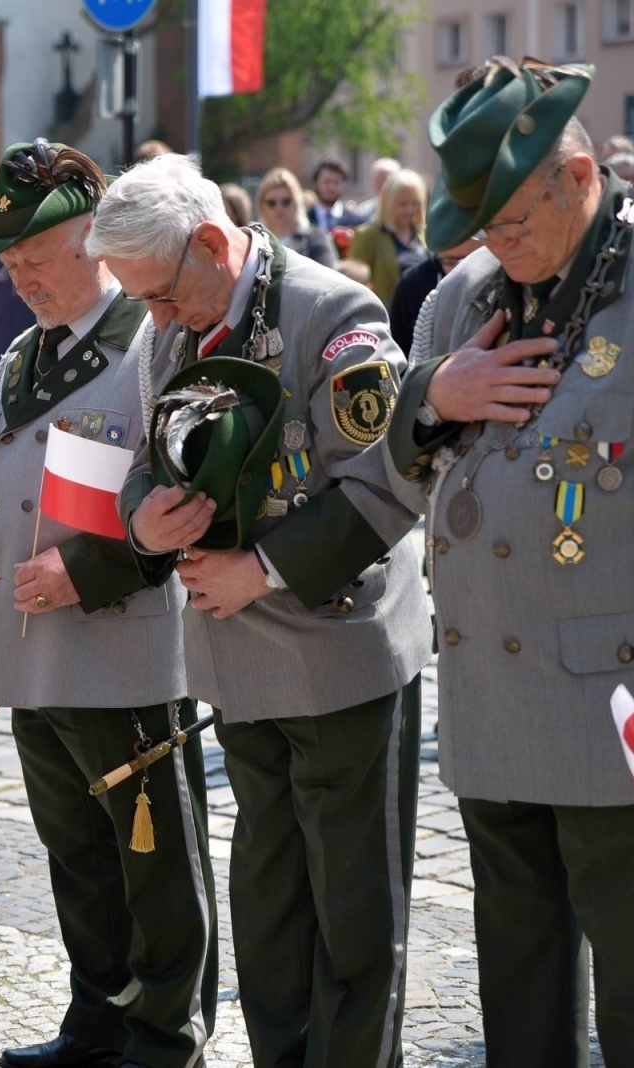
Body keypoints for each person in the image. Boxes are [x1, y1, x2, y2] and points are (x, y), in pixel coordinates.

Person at [386, 59, 634, 1067]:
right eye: (478, 221)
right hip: (489, 708)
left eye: (513, 216)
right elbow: (390, 466)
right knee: (516, 988)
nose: (495, 243)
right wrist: (437, 396)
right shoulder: (460, 296)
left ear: (577, 174)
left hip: (629, 716)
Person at [90, 153, 432, 1068]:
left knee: (355, 918)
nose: (154, 319)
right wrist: (144, 523)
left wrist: (264, 570)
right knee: (270, 911)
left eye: (160, 295)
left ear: (210, 243)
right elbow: (142, 461)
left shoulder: (332, 312)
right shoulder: (172, 326)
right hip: (234, 666)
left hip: (337, 653)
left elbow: (389, 481)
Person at [0, 139, 216, 1068]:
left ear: (93, 240)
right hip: (33, 650)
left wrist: (89, 573)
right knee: (76, 856)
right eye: (10, 260)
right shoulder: (22, 355)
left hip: (122, 646)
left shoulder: (152, 344)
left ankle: (167, 1032)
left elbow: (188, 503)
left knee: (155, 863)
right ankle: (97, 1020)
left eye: (34, 254)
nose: (19, 275)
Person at [345, 167, 428, 306]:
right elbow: (355, 283)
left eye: (414, 203)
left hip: (422, 317)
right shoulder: (367, 236)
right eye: (403, 204)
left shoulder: (425, 234)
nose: (409, 210)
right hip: (386, 316)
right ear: (388, 204)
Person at [255, 167, 335, 268]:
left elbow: (328, 274)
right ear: (261, 205)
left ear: (297, 203)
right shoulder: (253, 240)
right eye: (271, 203)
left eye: (286, 202)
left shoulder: (315, 238)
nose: (279, 208)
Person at [307, 158, 361, 232]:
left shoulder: (354, 220)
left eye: (336, 182)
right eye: (326, 182)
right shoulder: (305, 218)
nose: (331, 187)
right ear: (317, 182)